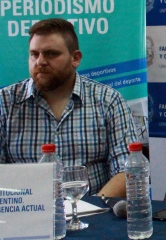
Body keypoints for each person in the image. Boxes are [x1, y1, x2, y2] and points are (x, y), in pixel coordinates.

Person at [0, 18, 138, 197]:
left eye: (51, 54)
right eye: (34, 54)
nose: (40, 62)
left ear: (76, 58)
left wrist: (85, 209)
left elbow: (127, 171)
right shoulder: (5, 103)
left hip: (96, 215)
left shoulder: (108, 100)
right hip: (25, 216)